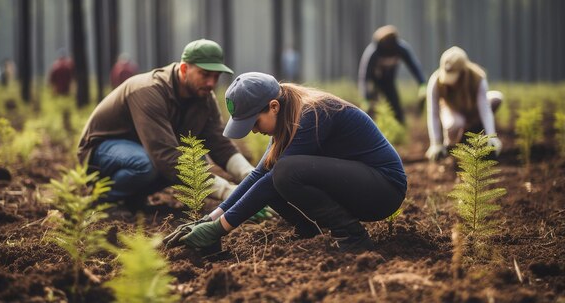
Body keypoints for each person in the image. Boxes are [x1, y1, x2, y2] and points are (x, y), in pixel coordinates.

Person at [164, 72, 407, 251]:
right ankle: (309, 230)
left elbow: (273, 179)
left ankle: (353, 237)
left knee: (285, 172)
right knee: (278, 173)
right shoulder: (288, 114)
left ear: (273, 107)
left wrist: (220, 229)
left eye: (255, 123)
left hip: (383, 189)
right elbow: (259, 174)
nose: (255, 132)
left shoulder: (312, 113)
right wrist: (211, 218)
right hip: (358, 186)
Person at [77, 39, 255, 209]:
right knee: (145, 164)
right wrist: (227, 192)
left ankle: (132, 199)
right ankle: (104, 201)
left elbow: (219, 143)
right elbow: (165, 156)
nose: (211, 83)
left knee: (195, 157)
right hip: (102, 150)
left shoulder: (204, 98)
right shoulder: (148, 91)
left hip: (144, 149)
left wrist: (251, 177)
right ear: (184, 68)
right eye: (205, 74)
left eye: (216, 77)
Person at [424, 46, 503, 161]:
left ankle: (474, 130)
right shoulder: (436, 81)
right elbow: (433, 113)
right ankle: (452, 144)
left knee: (496, 98)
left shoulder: (478, 78)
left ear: (463, 71)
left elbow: (485, 110)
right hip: (452, 112)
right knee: (456, 123)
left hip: (473, 109)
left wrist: (491, 136)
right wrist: (436, 143)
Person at [358, 25, 426, 124]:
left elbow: (414, 66)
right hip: (374, 83)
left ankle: (399, 131)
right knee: (371, 112)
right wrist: (365, 98)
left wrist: (422, 84)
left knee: (396, 111)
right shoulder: (373, 51)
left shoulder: (400, 48)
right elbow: (364, 76)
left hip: (389, 82)